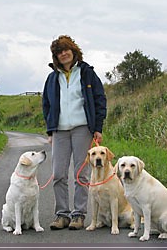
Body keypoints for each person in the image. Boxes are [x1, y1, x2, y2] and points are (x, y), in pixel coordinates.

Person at [42, 35, 107, 230]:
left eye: (66, 49)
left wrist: (98, 128)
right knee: (58, 174)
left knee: (81, 173)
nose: (63, 54)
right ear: (56, 56)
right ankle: (62, 215)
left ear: (73, 50)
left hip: (82, 129)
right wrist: (50, 129)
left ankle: (79, 215)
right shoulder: (52, 78)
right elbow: (46, 104)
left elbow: (99, 99)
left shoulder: (87, 73)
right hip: (60, 131)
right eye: (59, 52)